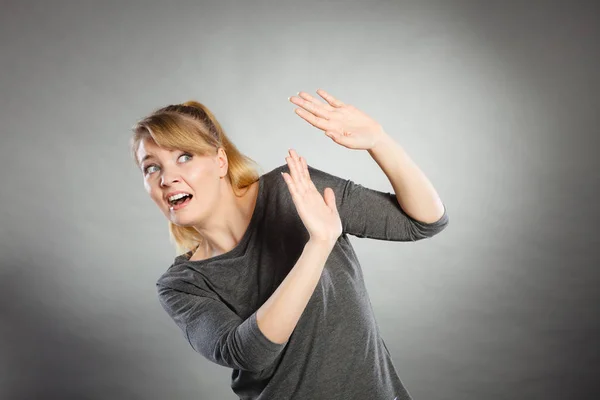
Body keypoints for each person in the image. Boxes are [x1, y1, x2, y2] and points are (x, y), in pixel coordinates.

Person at [130, 90, 449, 400]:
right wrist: (318, 245)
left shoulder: (293, 189)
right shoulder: (182, 285)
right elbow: (249, 353)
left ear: (220, 162)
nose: (166, 177)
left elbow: (422, 221)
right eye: (152, 167)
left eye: (184, 157)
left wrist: (379, 141)